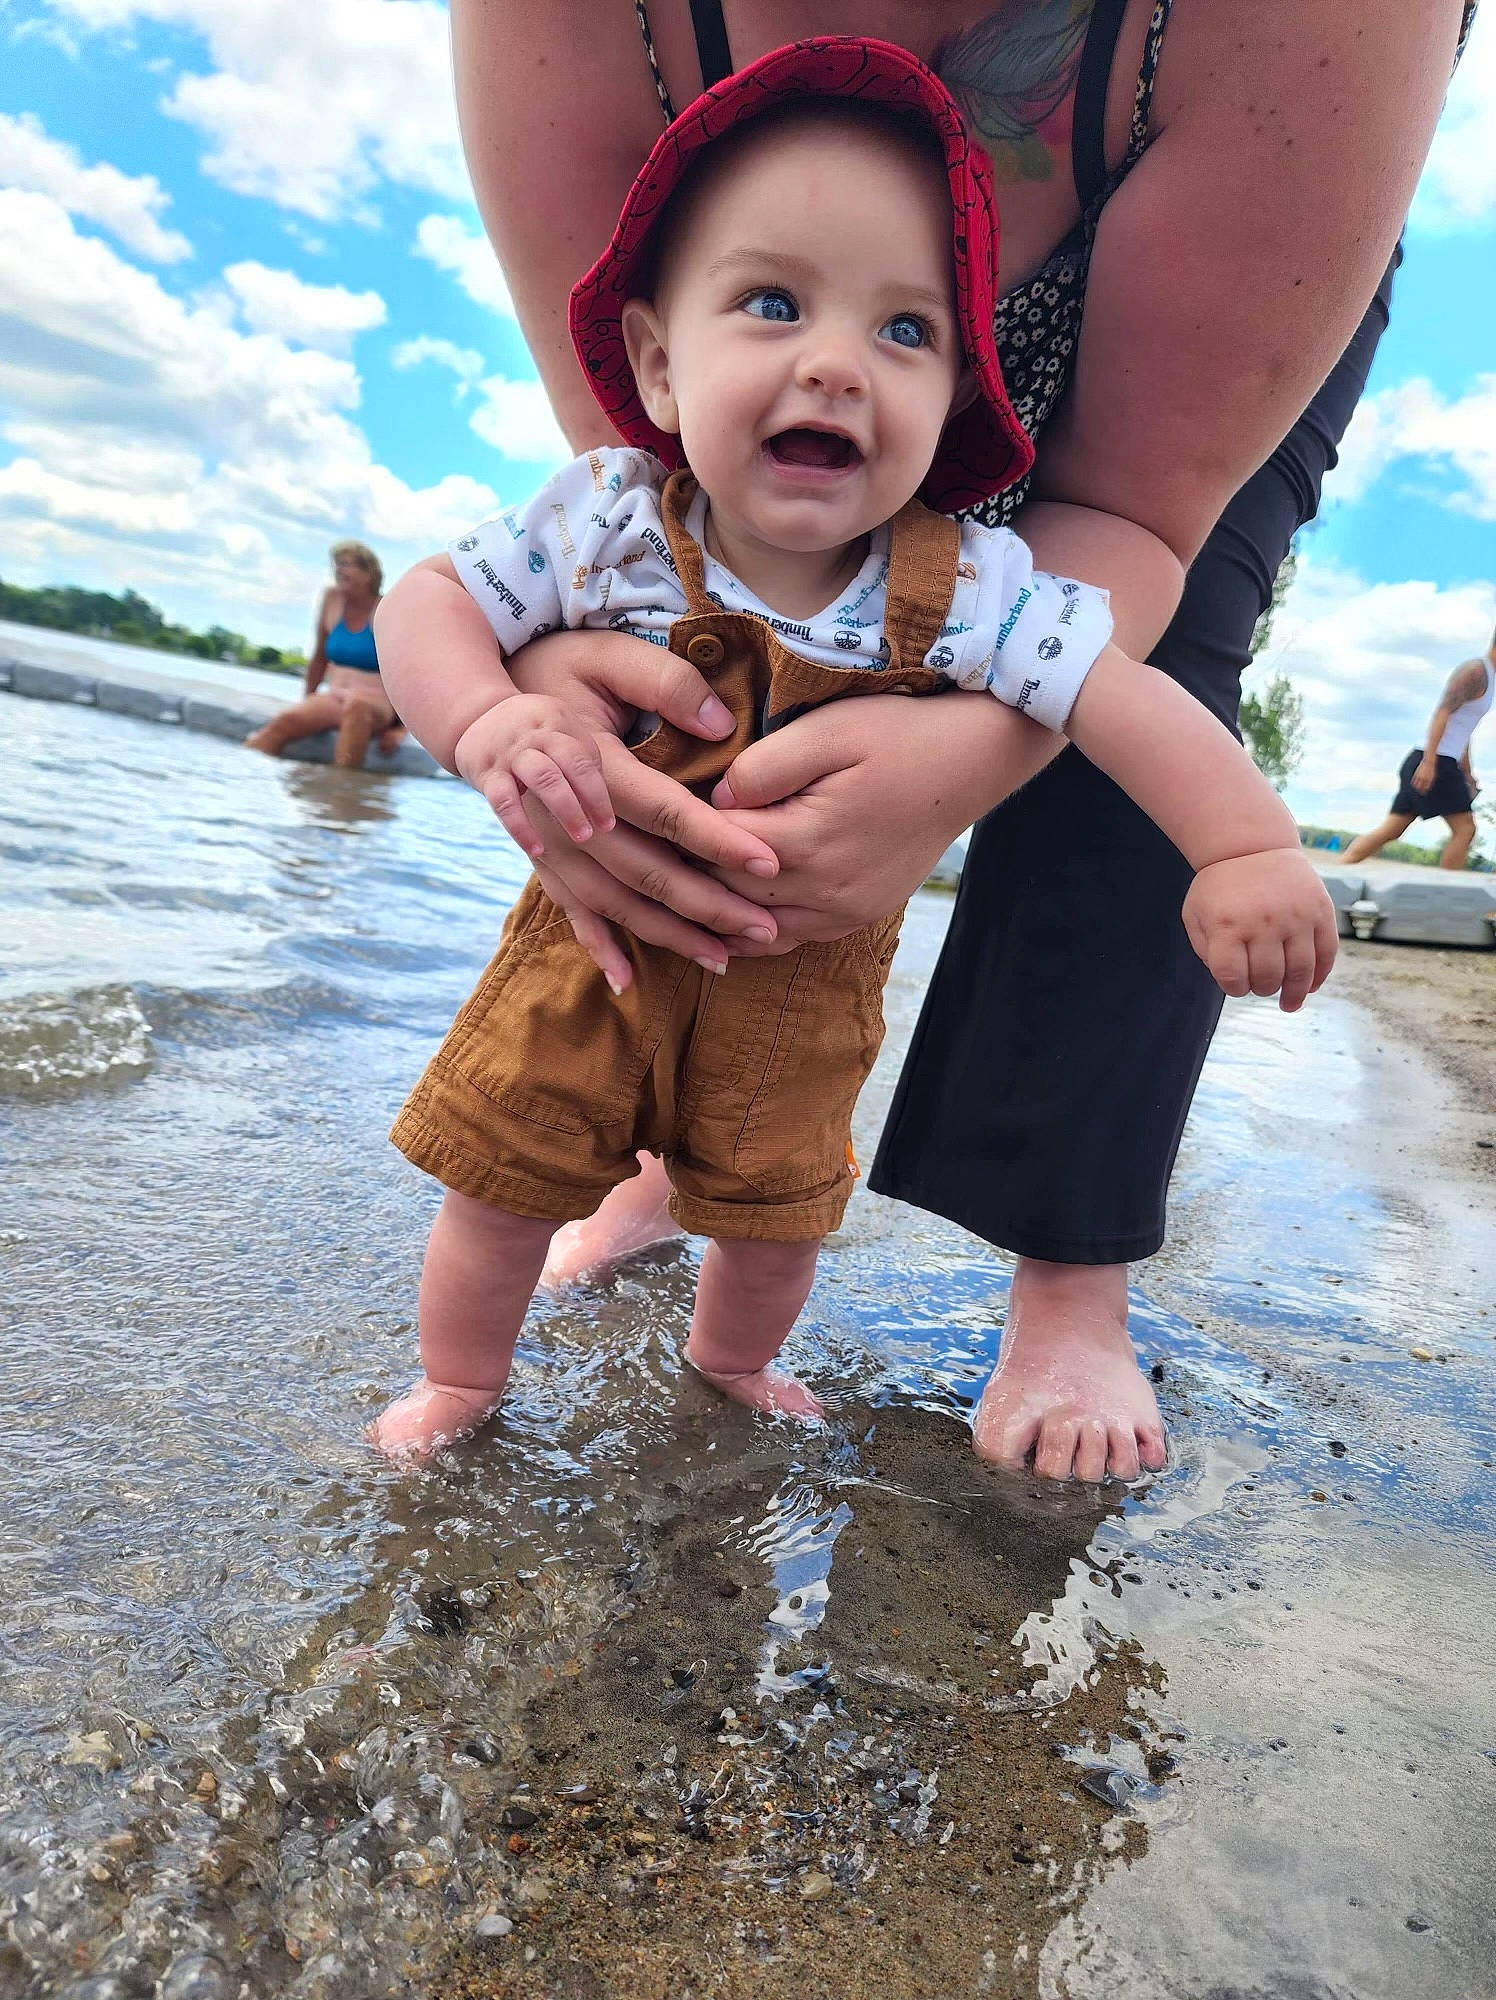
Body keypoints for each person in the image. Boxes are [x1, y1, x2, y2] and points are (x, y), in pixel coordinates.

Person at [432, 0, 1475, 1484]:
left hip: (1217, 277)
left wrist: (1234, 841)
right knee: (687, 635)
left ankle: (1065, 1273)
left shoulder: (990, 592)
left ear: (951, 369)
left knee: (1159, 640)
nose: (836, 366)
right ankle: (632, 1175)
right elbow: (615, 498)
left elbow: (1125, 600)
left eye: (901, 334)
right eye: (775, 311)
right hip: (677, 720)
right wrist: (516, 698)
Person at [245, 542, 406, 769]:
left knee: (357, 707)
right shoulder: (332, 599)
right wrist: (308, 698)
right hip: (336, 697)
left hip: (375, 704)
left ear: (369, 573)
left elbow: (407, 673)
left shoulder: (386, 609)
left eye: (346, 565)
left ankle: (341, 792)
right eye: (336, 565)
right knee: (284, 722)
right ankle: (239, 778)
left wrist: (401, 729)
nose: (338, 570)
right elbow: (319, 656)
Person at [1343, 632, 1493, 868]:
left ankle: (1338, 870)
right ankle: (1446, 895)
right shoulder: (1476, 671)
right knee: (1465, 829)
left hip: (1439, 760)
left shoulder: (1490, 677)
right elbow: (1442, 712)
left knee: (1393, 828)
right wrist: (1429, 763)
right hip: (1434, 761)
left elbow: (1463, 729)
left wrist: (1467, 772)